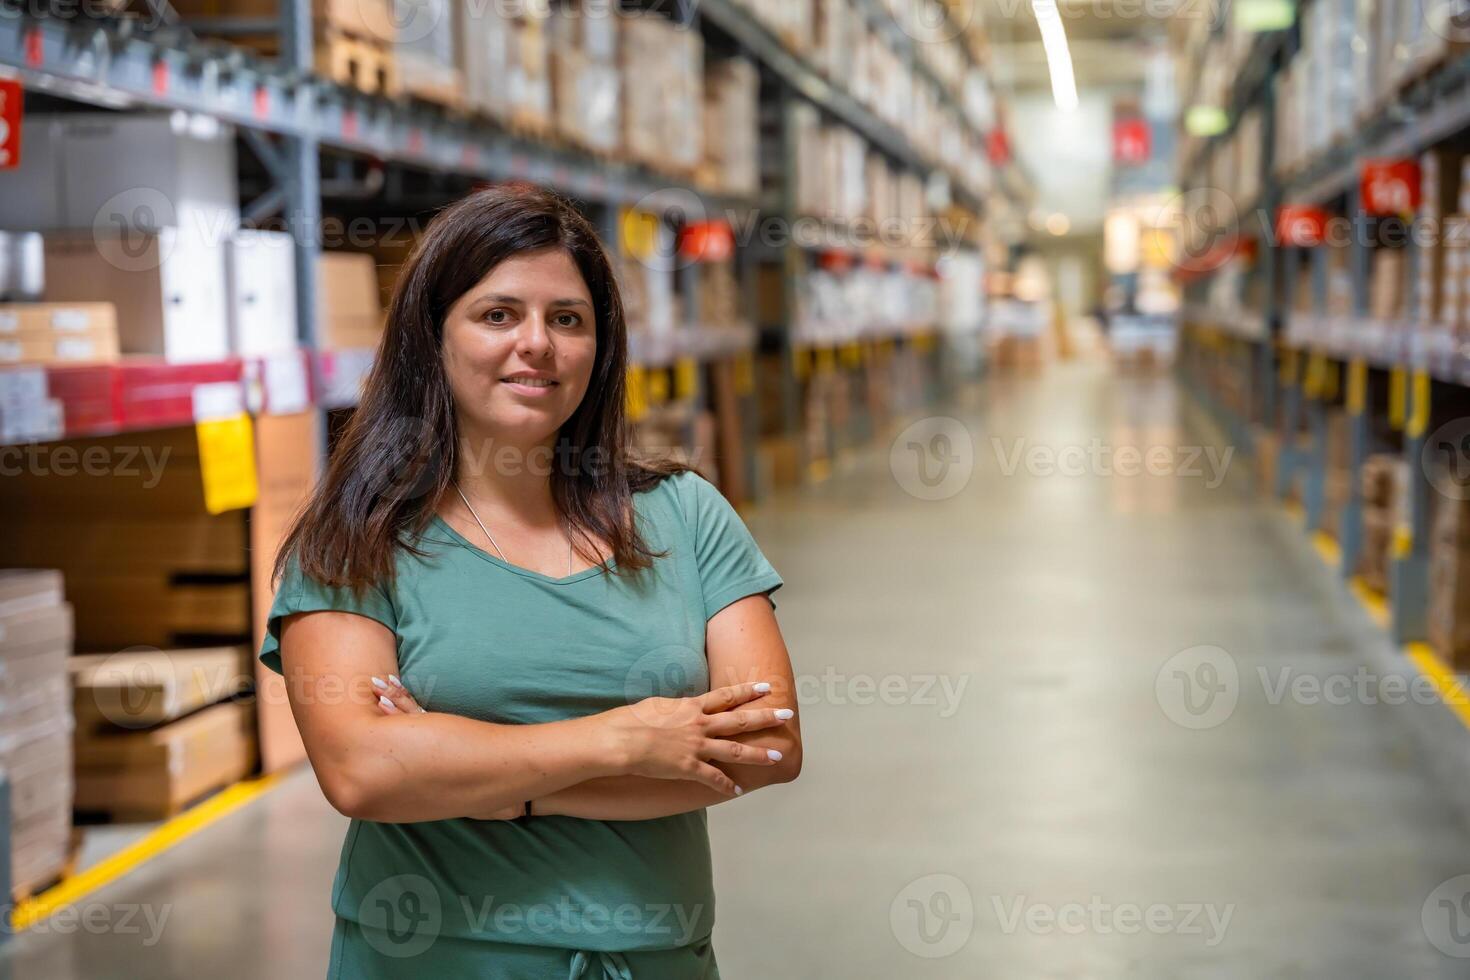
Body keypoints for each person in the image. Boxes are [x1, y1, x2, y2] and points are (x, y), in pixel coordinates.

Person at [259, 184, 803, 978]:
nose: (537, 344)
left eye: (567, 319)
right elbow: (363, 770)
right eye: (498, 315)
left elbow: (767, 745)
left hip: (650, 955)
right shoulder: (360, 537)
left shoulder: (685, 516)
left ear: (599, 346)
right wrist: (628, 740)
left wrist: (492, 787)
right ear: (433, 337)